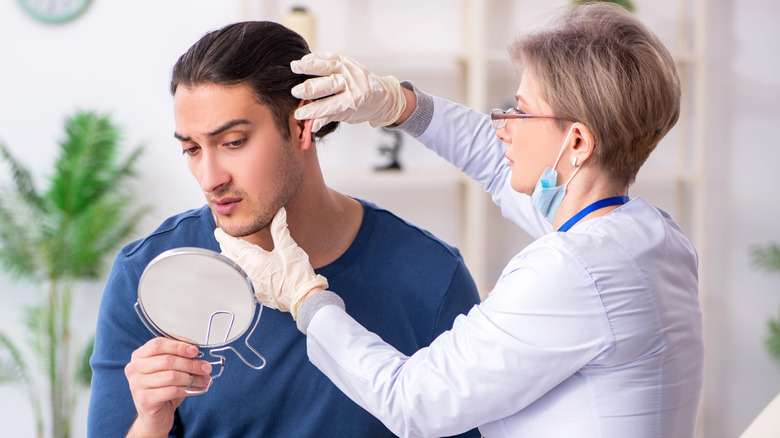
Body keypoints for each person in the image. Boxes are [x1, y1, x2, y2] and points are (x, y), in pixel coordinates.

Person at [214, 3, 705, 437]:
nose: (502, 125)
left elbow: (413, 403)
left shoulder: (572, 271)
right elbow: (493, 162)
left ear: (576, 142)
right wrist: (398, 104)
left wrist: (306, 300)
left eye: (520, 110)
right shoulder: (650, 235)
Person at [87, 21, 481, 437]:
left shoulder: (432, 277)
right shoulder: (146, 272)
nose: (209, 177)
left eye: (234, 141)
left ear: (301, 126)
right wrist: (151, 421)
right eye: (191, 149)